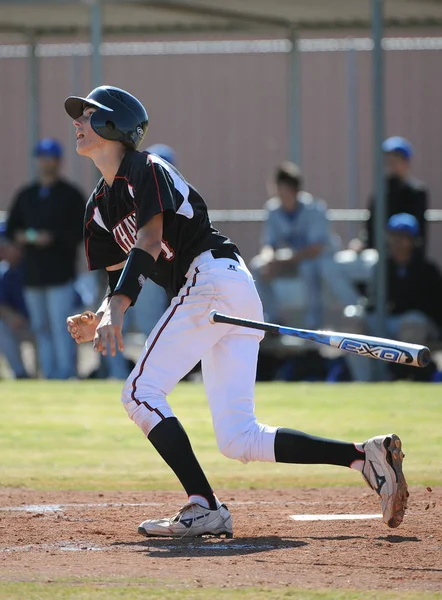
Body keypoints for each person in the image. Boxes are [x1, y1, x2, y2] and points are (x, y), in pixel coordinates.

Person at [65, 85, 408, 538]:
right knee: (237, 436)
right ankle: (364, 456)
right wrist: (104, 311)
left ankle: (203, 504)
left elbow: (150, 240)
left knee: (139, 392)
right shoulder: (99, 208)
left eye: (88, 115)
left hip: (209, 279)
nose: (78, 122)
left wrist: (120, 308)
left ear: (113, 126)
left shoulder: (143, 168)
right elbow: (121, 273)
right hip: (221, 290)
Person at [6, 139, 85, 379]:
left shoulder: (71, 195)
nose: (45, 163)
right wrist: (24, 236)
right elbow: (12, 227)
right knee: (41, 327)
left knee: (63, 327)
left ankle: (66, 373)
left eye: (50, 158)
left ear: (58, 161)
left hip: (60, 273)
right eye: (42, 157)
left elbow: (80, 231)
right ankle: (49, 374)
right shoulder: (27, 195)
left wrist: (52, 238)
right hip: (33, 273)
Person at [251, 162, 359, 328]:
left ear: (295, 190)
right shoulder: (273, 209)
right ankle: (271, 319)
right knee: (257, 266)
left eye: (285, 189)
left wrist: (279, 261)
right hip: (290, 259)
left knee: (309, 267)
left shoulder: (314, 208)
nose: (281, 194)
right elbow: (268, 245)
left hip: (320, 260)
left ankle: (313, 322)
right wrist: (269, 261)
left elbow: (315, 249)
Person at [344, 213, 442, 382]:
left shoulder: (427, 269)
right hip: (388, 320)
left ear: (413, 241)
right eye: (394, 236)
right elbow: (372, 301)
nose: (397, 242)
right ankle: (365, 382)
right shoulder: (381, 267)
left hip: (417, 324)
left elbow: (432, 308)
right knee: (353, 318)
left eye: (403, 237)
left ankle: (403, 376)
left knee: (412, 322)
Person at [0, 224, 30, 378]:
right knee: (1, 327)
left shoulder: (32, 268)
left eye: (6, 245)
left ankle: (54, 374)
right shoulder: (4, 272)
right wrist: (10, 315)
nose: (3, 250)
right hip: (19, 323)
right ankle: (20, 374)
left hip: (40, 322)